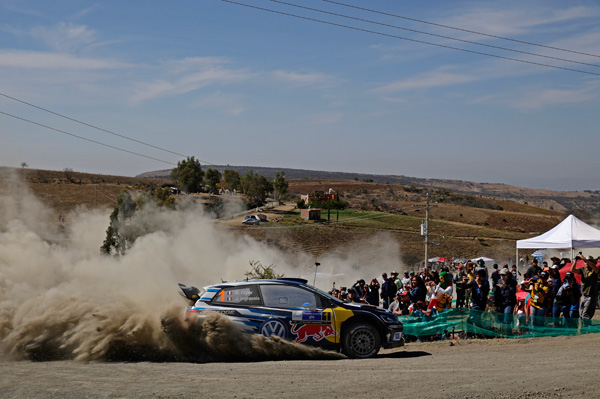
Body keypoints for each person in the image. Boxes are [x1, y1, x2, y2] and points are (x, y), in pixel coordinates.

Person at [571, 255, 599, 326]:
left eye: (589, 261)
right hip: (583, 295)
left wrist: (585, 260)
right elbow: (573, 270)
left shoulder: (594, 270)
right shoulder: (583, 270)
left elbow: (595, 269)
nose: (586, 263)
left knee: (586, 315)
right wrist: (575, 261)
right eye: (585, 261)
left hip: (590, 296)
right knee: (581, 314)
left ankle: (585, 329)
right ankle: (585, 327)